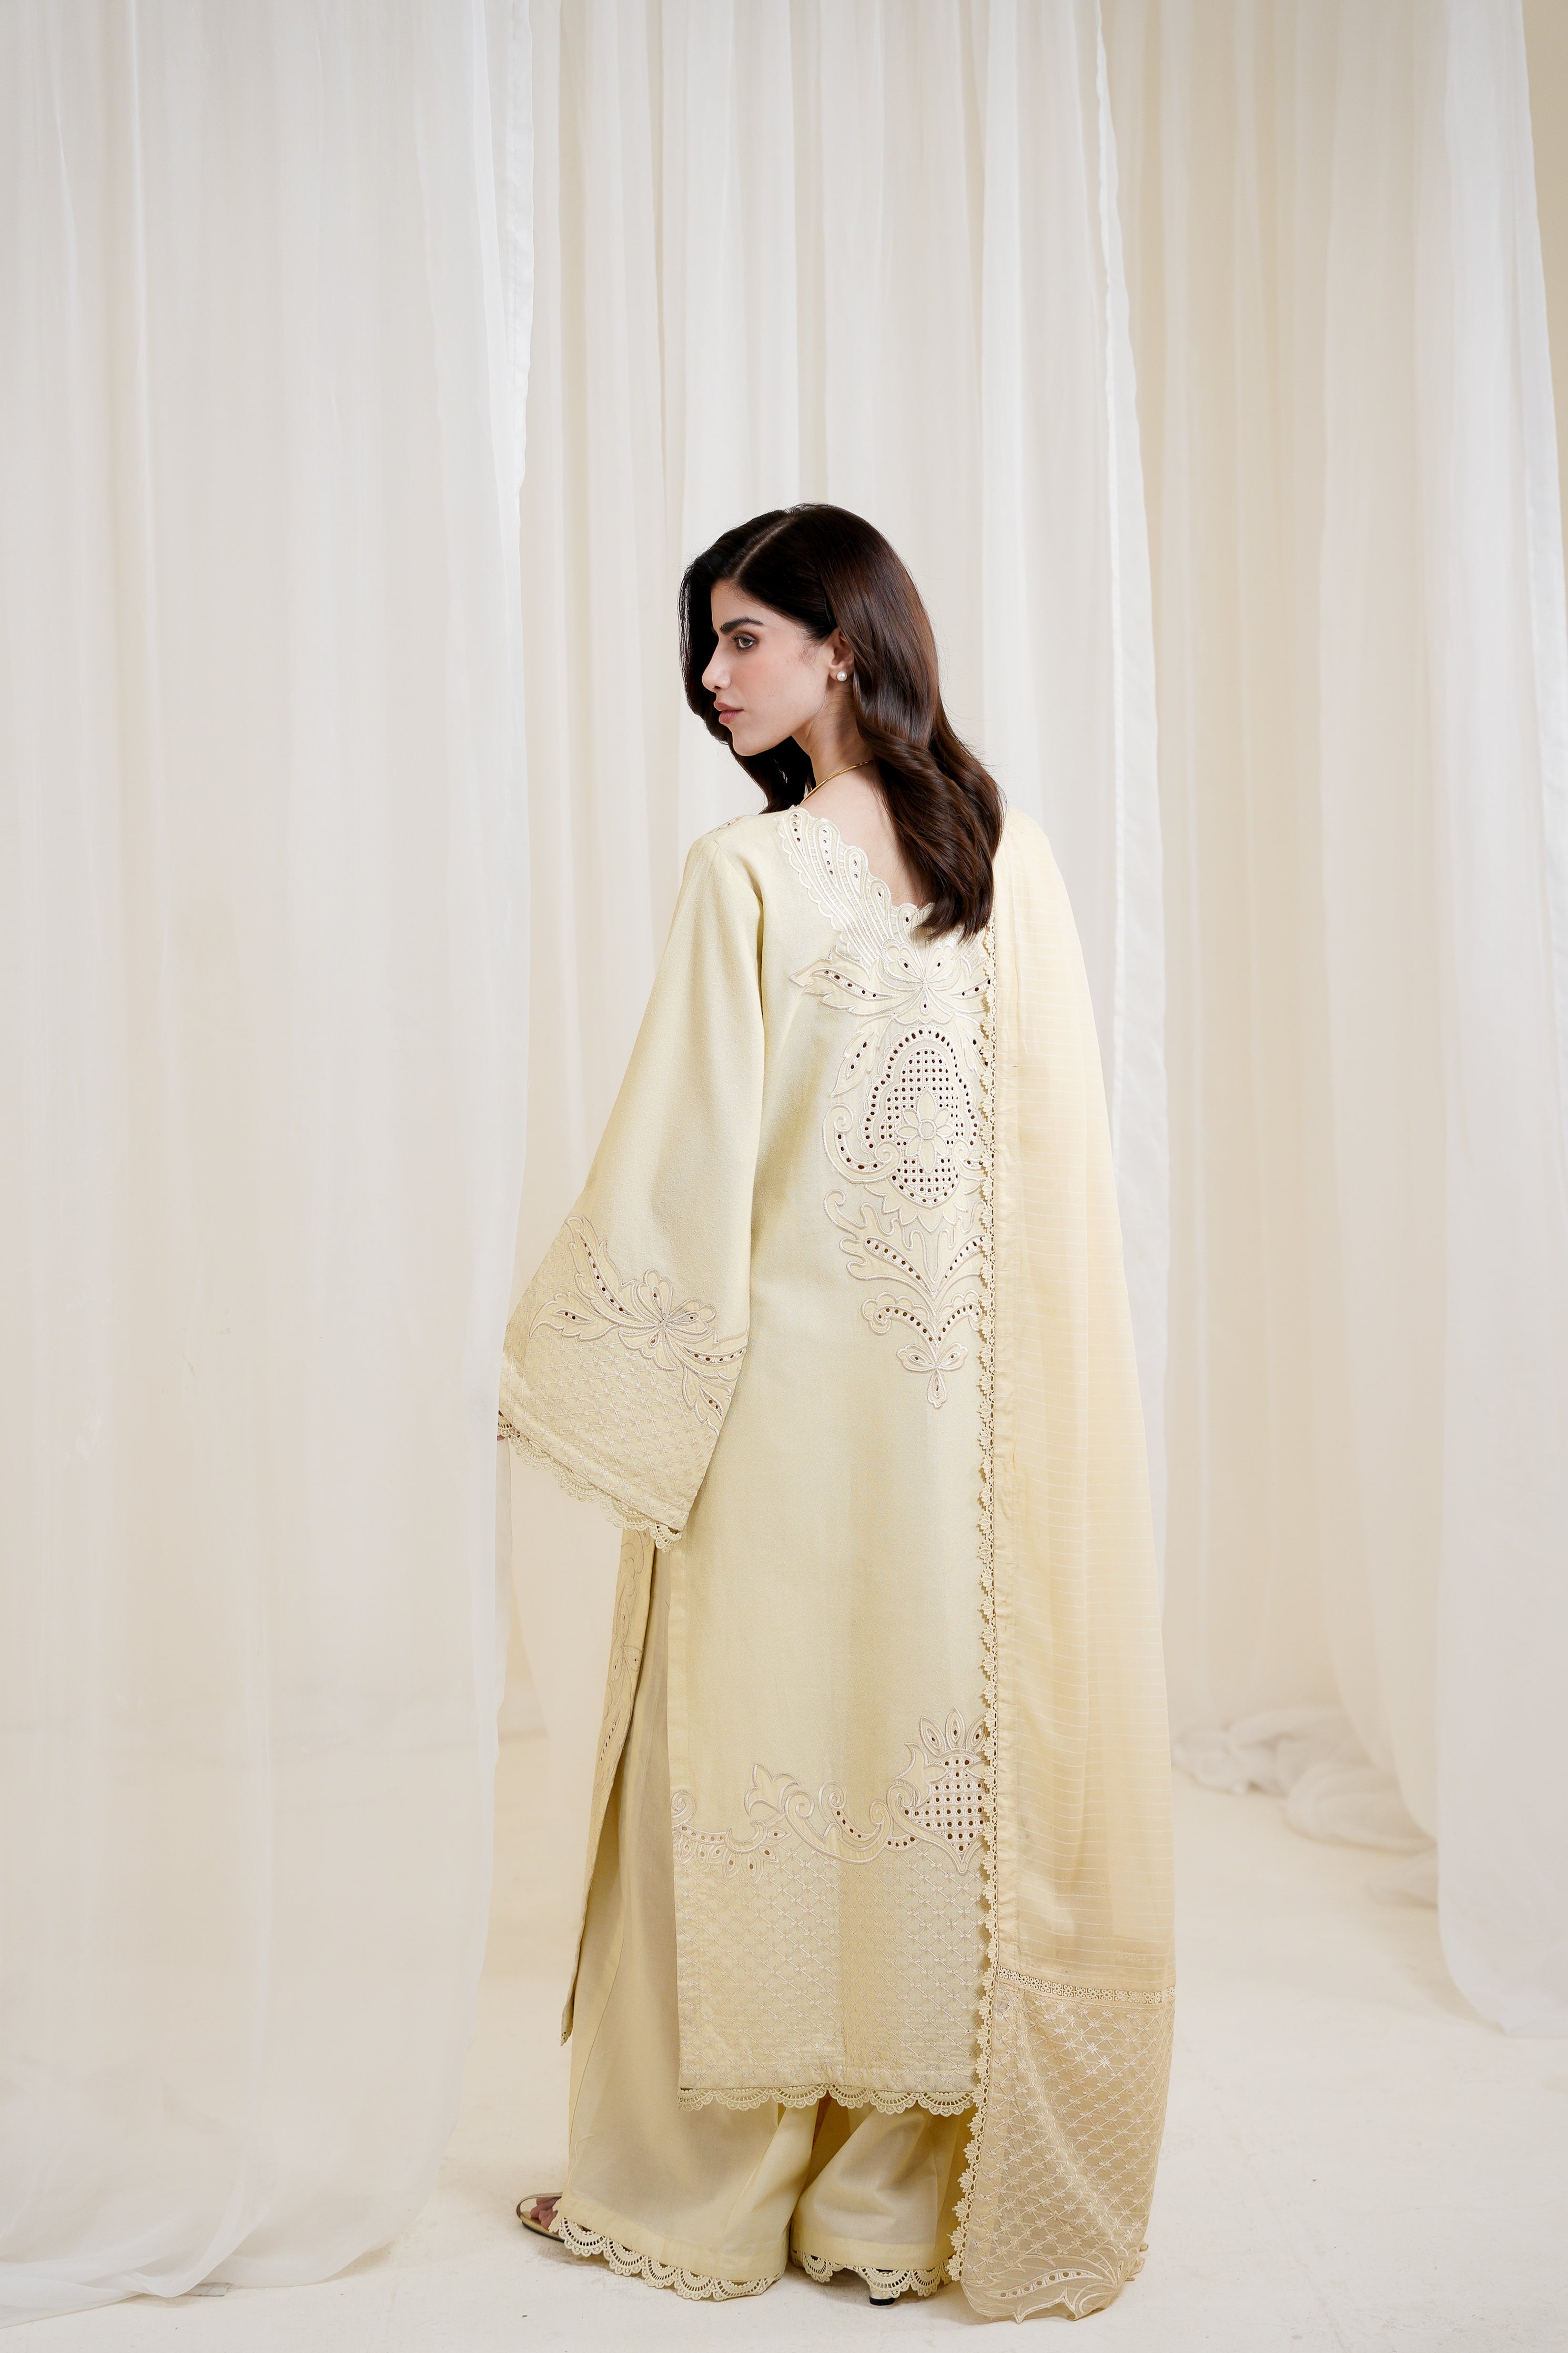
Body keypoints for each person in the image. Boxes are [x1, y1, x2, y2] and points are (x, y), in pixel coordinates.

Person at [499, 504, 1174, 2320]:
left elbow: (684, 1169)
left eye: (742, 638)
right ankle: (883, 2209)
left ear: (842, 645)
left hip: (778, 1422)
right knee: (924, 1782)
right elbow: (1063, 1187)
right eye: (708, 643)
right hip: (966, 1449)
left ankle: (697, 2194)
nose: (710, 679)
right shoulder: (1008, 862)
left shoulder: (750, 876)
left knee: (733, 1769)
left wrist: (587, 1369)